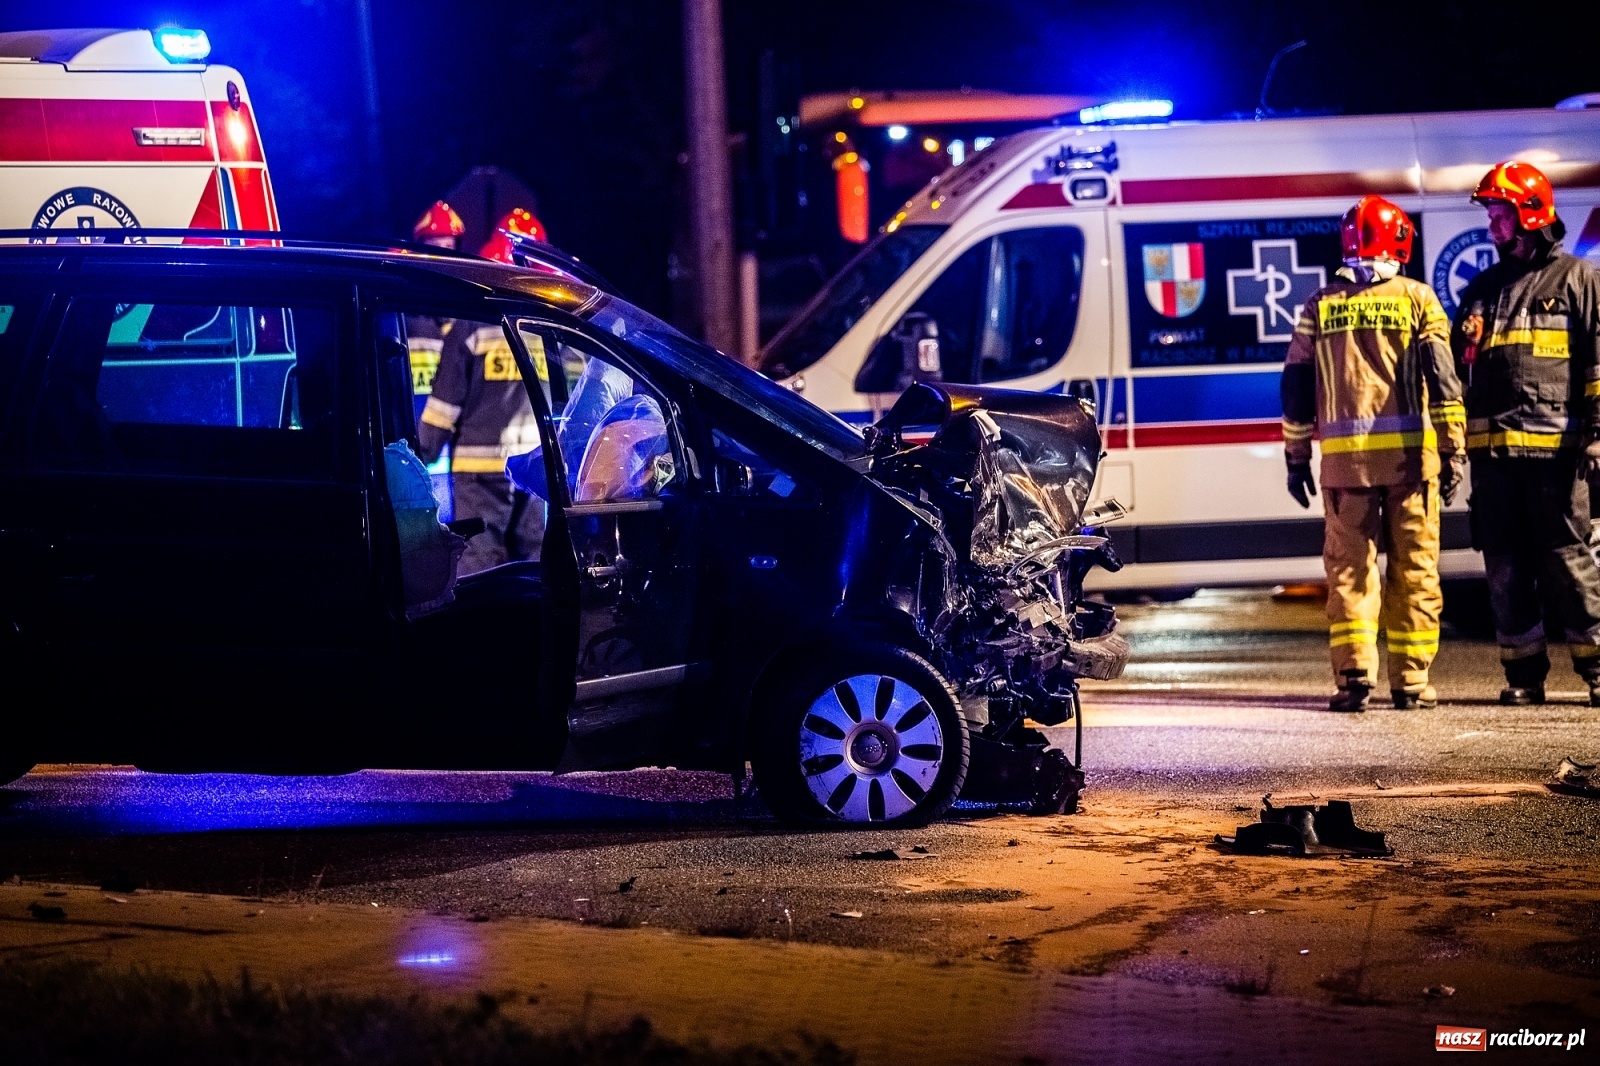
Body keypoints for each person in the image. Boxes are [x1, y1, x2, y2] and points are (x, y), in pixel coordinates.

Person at [1281, 195, 1466, 711]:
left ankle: (1355, 677)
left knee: (1349, 572)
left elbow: (1295, 383)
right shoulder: (1418, 299)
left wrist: (1296, 455)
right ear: (1399, 241)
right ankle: (1411, 682)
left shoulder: (1321, 304)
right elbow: (1443, 379)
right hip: (1412, 464)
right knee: (1416, 569)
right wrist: (1454, 450)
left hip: (1345, 467)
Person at [1452, 161, 1600, 705]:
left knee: (1567, 558)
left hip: (1557, 454)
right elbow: (1457, 370)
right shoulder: (1481, 291)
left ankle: (1598, 667)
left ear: (1530, 214)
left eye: (1500, 213)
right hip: (1493, 457)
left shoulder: (1579, 281)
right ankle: (1523, 675)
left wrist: (1598, 435)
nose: (1492, 225)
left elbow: (1598, 363)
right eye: (1491, 214)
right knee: (1506, 567)